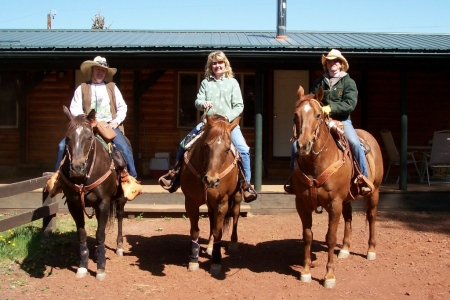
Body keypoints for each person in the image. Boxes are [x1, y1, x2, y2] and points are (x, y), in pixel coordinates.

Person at [159, 51, 257, 202]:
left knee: (243, 150)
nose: (217, 66)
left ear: (225, 64)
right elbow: (197, 101)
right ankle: (174, 175)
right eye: (214, 63)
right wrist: (202, 103)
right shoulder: (206, 83)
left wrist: (226, 119)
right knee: (184, 144)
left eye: (220, 62)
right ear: (211, 66)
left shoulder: (233, 83)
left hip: (228, 126)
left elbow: (239, 106)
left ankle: (247, 185)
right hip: (207, 124)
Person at [285, 49, 371, 195]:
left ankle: (363, 178)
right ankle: (293, 180)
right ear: (327, 64)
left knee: (355, 143)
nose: (333, 63)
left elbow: (350, 104)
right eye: (330, 61)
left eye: (336, 61)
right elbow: (312, 100)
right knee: (295, 145)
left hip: (342, 121)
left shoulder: (349, 82)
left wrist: (330, 108)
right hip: (321, 121)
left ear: (341, 64)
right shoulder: (319, 81)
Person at [54, 56, 137, 179]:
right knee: (62, 146)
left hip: (108, 126)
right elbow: (74, 108)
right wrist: (86, 121)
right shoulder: (81, 88)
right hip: (86, 126)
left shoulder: (112, 87)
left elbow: (122, 107)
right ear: (92, 70)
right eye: (98, 69)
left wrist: (116, 121)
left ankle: (131, 178)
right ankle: (57, 177)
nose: (100, 72)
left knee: (123, 147)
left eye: (103, 70)